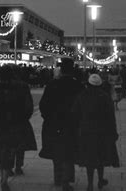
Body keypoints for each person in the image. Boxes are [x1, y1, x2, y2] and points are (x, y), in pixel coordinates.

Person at [0, 66, 33, 191]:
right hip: (14, 123)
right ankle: (5, 176)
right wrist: (23, 118)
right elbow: (28, 106)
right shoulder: (22, 87)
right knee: (10, 149)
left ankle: (3, 176)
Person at [39, 58, 83, 191]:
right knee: (69, 152)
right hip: (71, 124)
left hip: (53, 123)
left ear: (61, 70)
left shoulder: (52, 84)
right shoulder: (78, 85)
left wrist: (47, 117)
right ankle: (66, 180)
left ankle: (57, 177)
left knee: (56, 151)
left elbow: (43, 105)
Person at [72, 74, 120, 191]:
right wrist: (114, 132)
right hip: (102, 132)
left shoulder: (82, 96)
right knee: (100, 157)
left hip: (86, 132)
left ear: (88, 84)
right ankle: (100, 179)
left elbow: (75, 114)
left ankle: (89, 184)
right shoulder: (104, 97)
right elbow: (110, 117)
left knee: (89, 159)